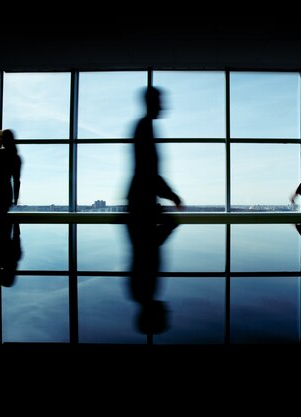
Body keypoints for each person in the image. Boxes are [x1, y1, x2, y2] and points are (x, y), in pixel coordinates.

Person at [126, 86, 183, 335]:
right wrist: (172, 196)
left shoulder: (142, 126)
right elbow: (149, 172)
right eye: (161, 101)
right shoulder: (145, 127)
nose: (164, 106)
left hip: (142, 201)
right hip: (143, 202)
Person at [0, 129, 21, 216]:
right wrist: (16, 197)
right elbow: (16, 180)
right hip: (7, 192)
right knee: (3, 219)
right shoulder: (16, 158)